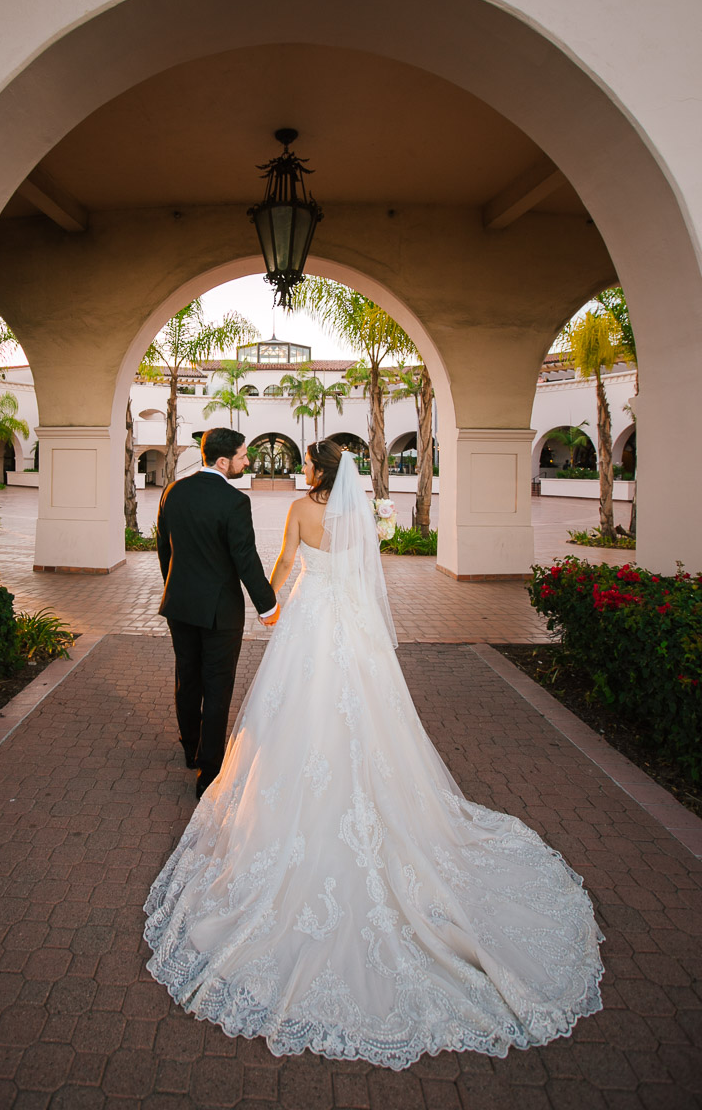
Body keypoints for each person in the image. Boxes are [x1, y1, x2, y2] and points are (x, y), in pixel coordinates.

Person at [145, 437, 603, 1069]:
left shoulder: (296, 512)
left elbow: (281, 561)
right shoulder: (361, 517)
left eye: (305, 463)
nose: (299, 469)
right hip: (351, 635)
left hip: (306, 629)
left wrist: (275, 608)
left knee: (279, 711)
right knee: (369, 718)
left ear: (318, 472)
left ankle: (227, 776)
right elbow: (365, 579)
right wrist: (312, 608)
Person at [156, 426, 279, 799]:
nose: (247, 460)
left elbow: (165, 549)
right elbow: (245, 558)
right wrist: (268, 604)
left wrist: (176, 588)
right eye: (243, 456)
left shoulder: (173, 491)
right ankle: (209, 770)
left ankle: (190, 748)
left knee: (187, 678)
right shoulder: (234, 502)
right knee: (217, 685)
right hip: (220, 613)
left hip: (179, 604)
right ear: (223, 461)